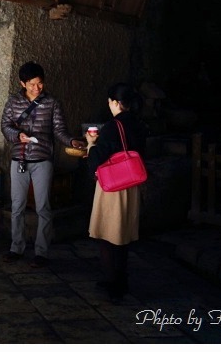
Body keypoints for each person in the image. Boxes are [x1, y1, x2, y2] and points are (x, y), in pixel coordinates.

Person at [0, 61, 85, 267]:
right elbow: (5, 126)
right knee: (17, 206)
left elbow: (59, 130)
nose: (37, 88)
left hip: (43, 160)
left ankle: (41, 252)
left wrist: (72, 141)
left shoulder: (51, 103)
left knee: (43, 207)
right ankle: (16, 247)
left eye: (40, 84)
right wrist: (17, 135)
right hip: (19, 159)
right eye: (32, 84)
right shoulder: (13, 102)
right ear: (22, 83)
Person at [85, 82, 148, 300]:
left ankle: (113, 283)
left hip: (114, 185)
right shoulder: (138, 124)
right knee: (123, 236)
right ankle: (121, 280)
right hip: (132, 184)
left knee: (107, 234)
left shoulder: (114, 126)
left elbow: (98, 157)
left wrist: (91, 143)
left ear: (115, 103)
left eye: (110, 102)